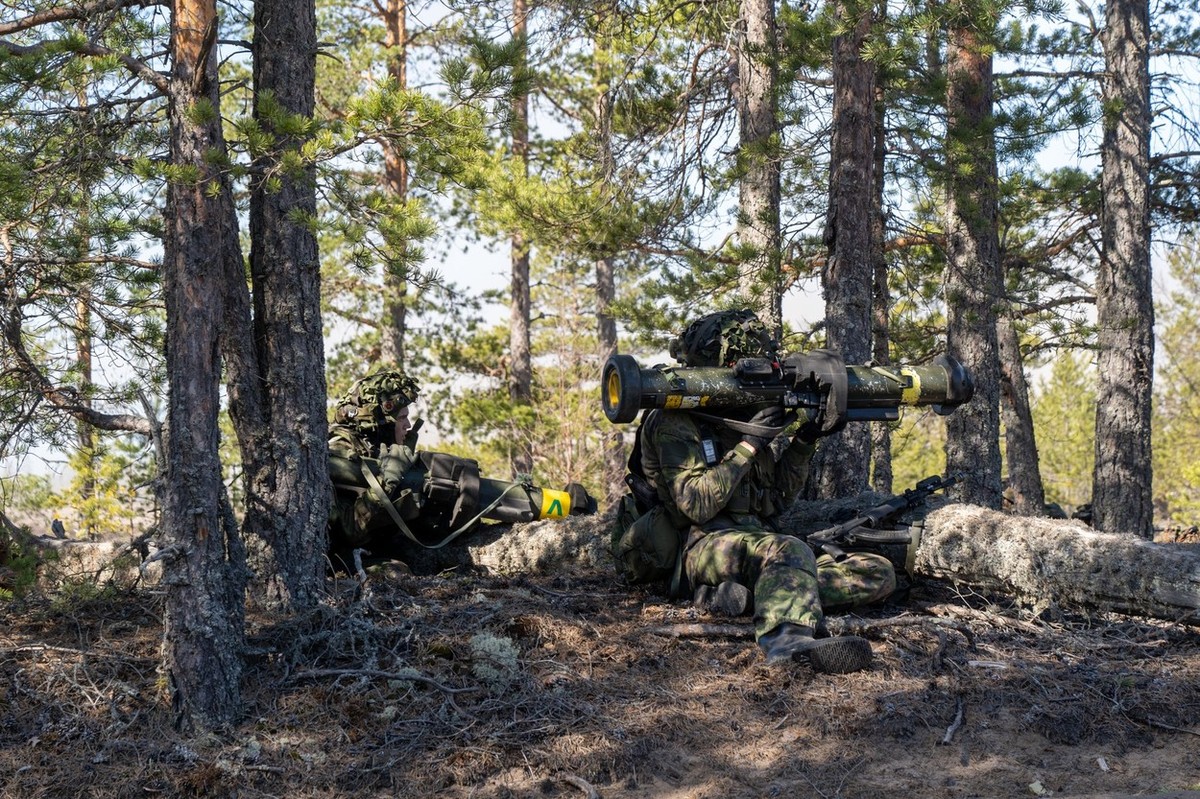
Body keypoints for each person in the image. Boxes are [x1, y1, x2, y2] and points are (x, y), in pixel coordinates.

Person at [624, 309, 896, 674]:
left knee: (877, 570)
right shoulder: (674, 421)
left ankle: (750, 598)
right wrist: (749, 444)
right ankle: (788, 642)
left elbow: (778, 500)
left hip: (760, 545)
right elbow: (696, 505)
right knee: (788, 550)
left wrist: (805, 440)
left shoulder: (747, 412)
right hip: (700, 547)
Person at [327, 368, 596, 571]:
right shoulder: (339, 455)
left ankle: (564, 504)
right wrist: (385, 486)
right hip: (347, 560)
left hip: (382, 540)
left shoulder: (374, 446)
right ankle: (564, 505)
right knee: (397, 574)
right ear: (379, 422)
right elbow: (348, 531)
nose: (408, 425)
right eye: (401, 419)